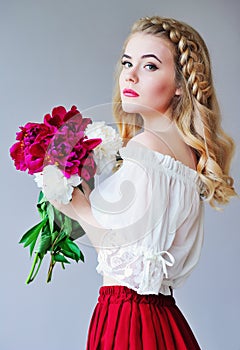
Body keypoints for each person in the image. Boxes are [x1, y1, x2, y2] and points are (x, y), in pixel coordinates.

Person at [50, 16, 237, 349]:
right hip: (157, 317)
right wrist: (85, 193)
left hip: (128, 319)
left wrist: (74, 205)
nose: (130, 75)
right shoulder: (184, 155)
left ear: (181, 83)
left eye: (150, 66)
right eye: (127, 63)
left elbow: (129, 264)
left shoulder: (148, 146)